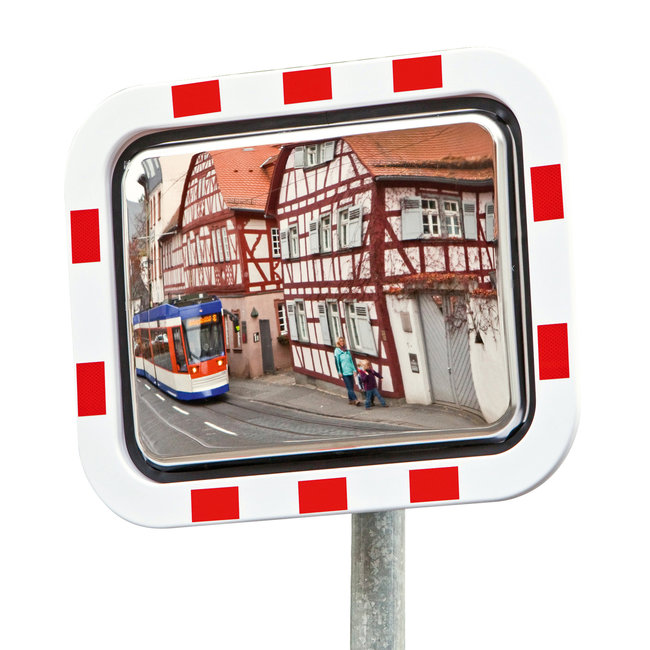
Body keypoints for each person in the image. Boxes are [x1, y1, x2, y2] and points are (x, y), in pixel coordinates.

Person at [334, 337, 360, 406]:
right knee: (349, 387)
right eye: (340, 341)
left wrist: (354, 370)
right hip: (344, 372)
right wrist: (339, 372)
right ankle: (355, 399)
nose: (342, 342)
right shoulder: (337, 351)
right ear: (338, 342)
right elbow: (337, 362)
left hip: (350, 371)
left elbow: (351, 361)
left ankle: (350, 400)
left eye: (343, 341)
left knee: (351, 386)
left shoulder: (347, 351)